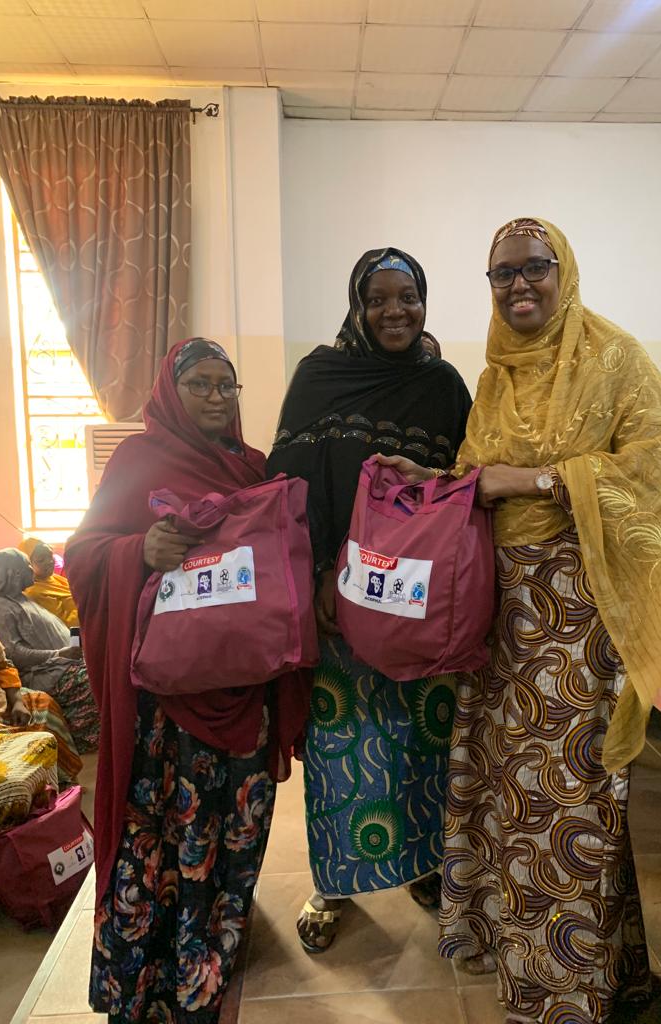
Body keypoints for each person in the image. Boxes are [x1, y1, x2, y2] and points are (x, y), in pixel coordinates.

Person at [382, 219, 661, 1023]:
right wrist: (438, 480)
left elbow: (655, 482)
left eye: (533, 268)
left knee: (568, 801)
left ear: (564, 270)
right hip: (503, 617)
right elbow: (478, 480)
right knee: (507, 797)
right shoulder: (493, 379)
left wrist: (540, 481)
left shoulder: (616, 361)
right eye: (501, 274)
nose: (518, 285)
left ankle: (563, 991)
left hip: (580, 617)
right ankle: (569, 966)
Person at [65, 337, 311, 1024]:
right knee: (163, 840)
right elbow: (82, 554)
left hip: (243, 695)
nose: (215, 396)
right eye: (200, 383)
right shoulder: (138, 462)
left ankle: (206, 970)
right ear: (172, 392)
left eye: (226, 385)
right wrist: (136, 550)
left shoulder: (253, 470)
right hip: (165, 708)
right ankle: (142, 985)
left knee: (234, 836)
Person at [267, 247, 473, 953]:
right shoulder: (319, 377)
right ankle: (335, 881)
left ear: (425, 299)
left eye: (408, 296)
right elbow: (290, 487)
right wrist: (324, 569)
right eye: (379, 298)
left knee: (424, 739)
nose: (396, 311)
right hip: (338, 602)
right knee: (341, 743)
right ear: (358, 304)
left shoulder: (443, 385)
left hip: (417, 602)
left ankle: (421, 867)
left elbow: (466, 485)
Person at [0, 549, 98, 754]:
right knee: (94, 680)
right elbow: (13, 654)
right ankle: (83, 740)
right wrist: (57, 654)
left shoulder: (20, 599)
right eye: (26, 565)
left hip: (63, 662)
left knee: (106, 667)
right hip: (42, 671)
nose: (32, 569)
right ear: (13, 573)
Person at [0, 621, 82, 784]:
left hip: (1, 698)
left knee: (43, 704)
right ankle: (32, 787)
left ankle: (60, 781)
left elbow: (3, 665)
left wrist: (17, 701)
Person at [18, 538, 79, 628]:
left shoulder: (55, 578)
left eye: (50, 556)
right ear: (27, 564)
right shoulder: (34, 593)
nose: (49, 561)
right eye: (41, 560)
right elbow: (62, 625)